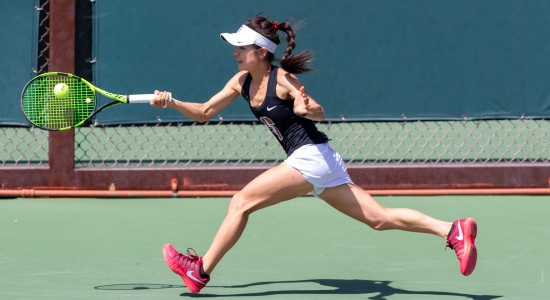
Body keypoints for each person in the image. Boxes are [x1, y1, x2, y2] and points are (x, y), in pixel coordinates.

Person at [149, 15, 478, 294]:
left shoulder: (283, 79)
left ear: (261, 51)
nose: (235, 52)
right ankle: (452, 230)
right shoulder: (241, 81)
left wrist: (309, 108)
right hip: (321, 160)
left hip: (310, 156)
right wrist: (173, 102)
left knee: (241, 202)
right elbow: (205, 111)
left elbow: (316, 110)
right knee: (379, 219)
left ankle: (200, 271)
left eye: (241, 47)